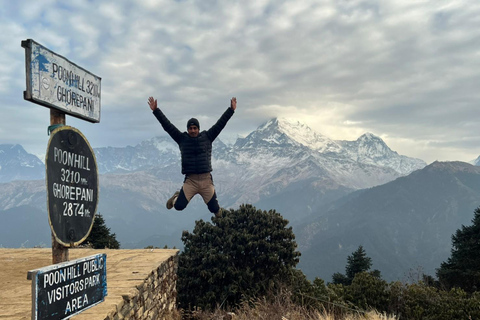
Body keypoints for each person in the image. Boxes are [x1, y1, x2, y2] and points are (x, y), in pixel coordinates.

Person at [148, 96, 237, 217]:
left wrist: (231, 110)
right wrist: (156, 110)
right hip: (191, 181)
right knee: (178, 206)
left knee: (215, 210)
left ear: (199, 129)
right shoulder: (182, 139)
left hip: (206, 180)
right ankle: (176, 197)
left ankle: (225, 228)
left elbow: (220, 124)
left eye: (195, 128)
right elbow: (167, 126)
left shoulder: (208, 137)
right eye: (190, 128)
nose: (193, 130)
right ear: (187, 129)